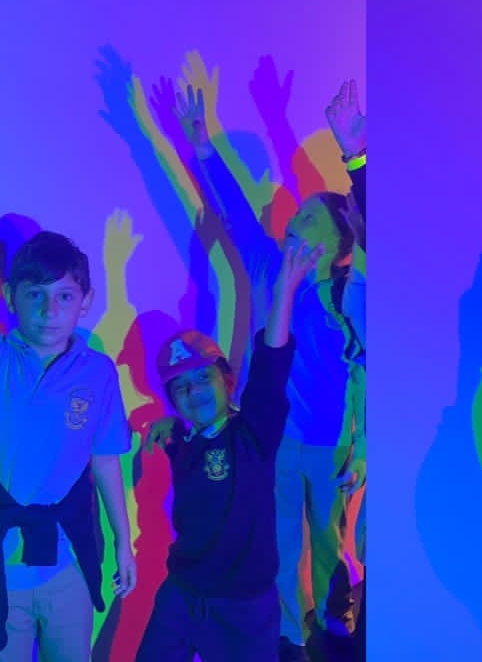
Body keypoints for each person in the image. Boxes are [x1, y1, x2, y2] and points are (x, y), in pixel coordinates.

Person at [175, 79, 366, 662]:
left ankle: (335, 618)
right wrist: (202, 144)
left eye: (308, 218)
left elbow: (365, 377)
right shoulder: (265, 269)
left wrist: (362, 445)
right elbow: (233, 209)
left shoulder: (350, 293)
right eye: (295, 215)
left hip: (330, 444)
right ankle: (289, 635)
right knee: (281, 540)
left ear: (338, 243)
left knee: (329, 539)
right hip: (274, 441)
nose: (292, 223)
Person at [0, 230, 136, 660]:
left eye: (64, 297)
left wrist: (123, 543)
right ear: (10, 296)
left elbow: (105, 462)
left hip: (66, 565)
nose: (49, 311)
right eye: (35, 294)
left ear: (85, 301)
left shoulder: (98, 372)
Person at [135, 239, 322, 662]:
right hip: (183, 592)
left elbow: (270, 367)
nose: (194, 391)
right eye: (181, 387)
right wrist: (171, 425)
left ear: (227, 380)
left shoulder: (252, 435)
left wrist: (282, 294)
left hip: (244, 605)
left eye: (203, 378)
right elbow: (187, 437)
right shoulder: (181, 441)